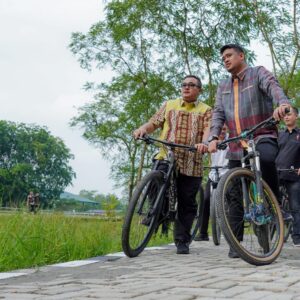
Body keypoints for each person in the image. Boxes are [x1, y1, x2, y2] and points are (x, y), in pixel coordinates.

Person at [208, 43, 291, 258]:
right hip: (236, 142)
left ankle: (276, 206)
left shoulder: (257, 73)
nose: (225, 59)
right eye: (223, 57)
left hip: (261, 132)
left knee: (266, 158)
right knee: (233, 191)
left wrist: (282, 104)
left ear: (241, 55)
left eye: (229, 55)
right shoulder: (223, 85)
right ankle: (236, 243)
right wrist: (214, 137)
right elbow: (218, 113)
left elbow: (274, 87)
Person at [133, 75, 212, 254]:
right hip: (166, 154)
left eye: (191, 85)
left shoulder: (206, 110)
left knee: (187, 202)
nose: (186, 88)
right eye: (184, 85)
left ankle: (182, 240)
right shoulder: (169, 105)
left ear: (199, 90)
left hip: (192, 160)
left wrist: (205, 143)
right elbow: (154, 122)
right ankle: (155, 214)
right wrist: (142, 129)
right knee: (155, 182)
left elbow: (209, 129)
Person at [195, 127, 229, 241]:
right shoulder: (210, 141)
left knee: (232, 198)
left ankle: (234, 231)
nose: (222, 131)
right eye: (221, 128)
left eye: (224, 128)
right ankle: (203, 233)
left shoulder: (231, 139)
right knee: (205, 200)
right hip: (214, 173)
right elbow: (202, 152)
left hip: (228, 173)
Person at [276, 106, 300, 246]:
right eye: (284, 115)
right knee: (272, 203)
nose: (286, 117)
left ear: (296, 116)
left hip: (294, 176)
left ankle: (297, 237)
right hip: (277, 174)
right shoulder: (279, 134)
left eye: (289, 114)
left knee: (295, 206)